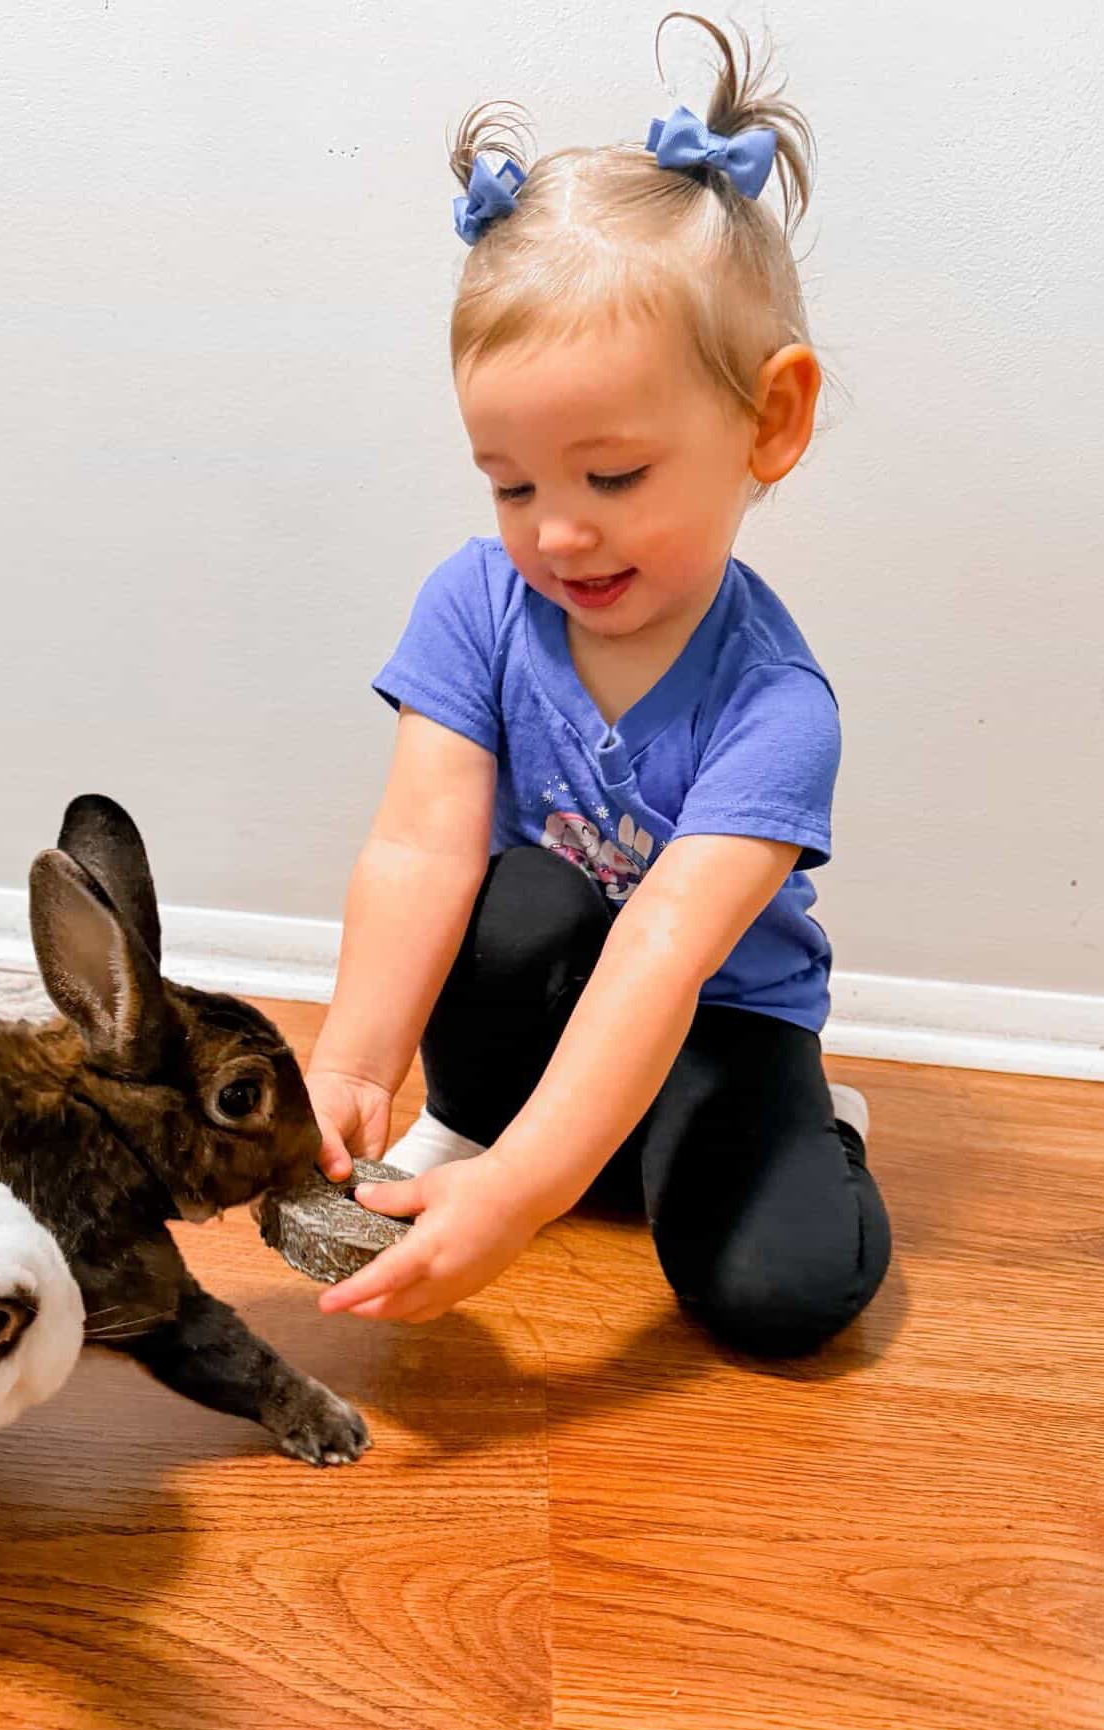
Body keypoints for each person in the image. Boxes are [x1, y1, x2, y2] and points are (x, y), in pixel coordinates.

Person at [306, 14, 891, 1355]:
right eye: (511, 485)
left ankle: (798, 1126)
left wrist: (518, 1195)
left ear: (770, 420)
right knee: (514, 897)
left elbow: (666, 948)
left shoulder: (777, 709)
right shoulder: (474, 603)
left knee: (782, 1298)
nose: (558, 533)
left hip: (713, 1014)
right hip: (544, 988)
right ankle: (504, 1122)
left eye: (611, 476)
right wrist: (351, 1061)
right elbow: (419, 847)